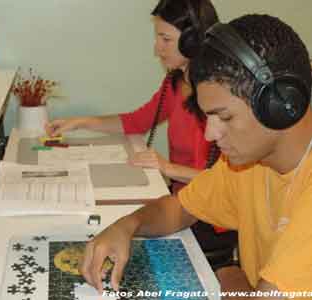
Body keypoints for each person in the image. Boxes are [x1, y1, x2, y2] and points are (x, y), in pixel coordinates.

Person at [79, 14, 312, 298]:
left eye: (223, 117)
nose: (210, 135)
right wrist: (127, 225)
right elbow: (181, 208)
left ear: (280, 105)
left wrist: (230, 277)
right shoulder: (252, 160)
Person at [46, 0, 237, 267]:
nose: (157, 48)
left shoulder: (220, 97)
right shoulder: (175, 82)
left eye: (165, 39)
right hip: (180, 201)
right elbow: (137, 121)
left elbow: (229, 182)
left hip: (209, 219)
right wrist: (81, 122)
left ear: (193, 41)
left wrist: (167, 167)